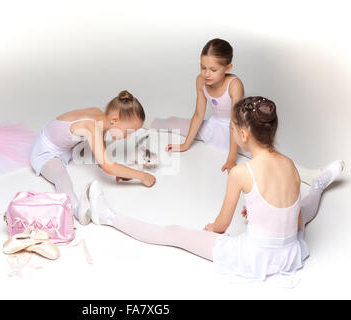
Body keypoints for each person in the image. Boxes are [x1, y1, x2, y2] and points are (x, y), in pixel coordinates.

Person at [85, 96, 345, 283]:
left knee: (173, 233)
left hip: (254, 256)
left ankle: (105, 215)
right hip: (289, 251)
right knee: (303, 210)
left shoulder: (241, 172)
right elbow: (294, 216)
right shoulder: (289, 164)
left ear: (243, 135)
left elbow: (221, 225)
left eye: (231, 129)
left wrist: (211, 230)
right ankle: (320, 182)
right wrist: (262, 215)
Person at [149, 38, 321, 183]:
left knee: (268, 156)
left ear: (228, 68)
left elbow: (235, 121)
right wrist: (186, 145)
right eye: (203, 67)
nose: (207, 74)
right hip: (213, 126)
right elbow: (199, 114)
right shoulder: (200, 81)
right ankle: (142, 120)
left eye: (213, 69)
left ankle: (311, 176)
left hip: (238, 133)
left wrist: (232, 157)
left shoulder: (234, 85)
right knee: (174, 122)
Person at [30, 90, 156, 224]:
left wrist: (119, 171)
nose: (128, 137)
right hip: (45, 151)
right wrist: (142, 176)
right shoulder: (92, 126)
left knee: (86, 155)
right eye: (128, 132)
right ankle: (76, 209)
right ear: (114, 120)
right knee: (61, 177)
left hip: (63, 147)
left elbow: (102, 161)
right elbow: (108, 166)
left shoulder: (101, 116)